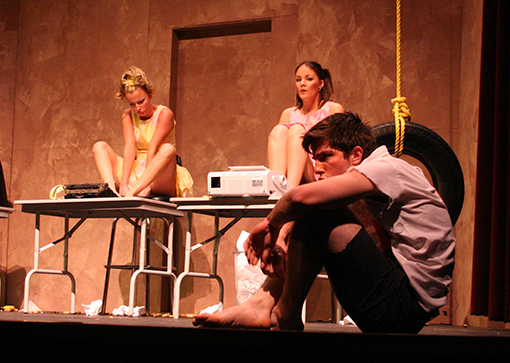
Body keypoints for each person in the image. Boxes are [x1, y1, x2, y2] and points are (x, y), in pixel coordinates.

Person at [194, 112, 454, 333]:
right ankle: (261, 305)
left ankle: (283, 312)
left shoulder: (386, 169)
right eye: (314, 159)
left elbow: (298, 199)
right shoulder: (373, 184)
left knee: (314, 207)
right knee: (315, 208)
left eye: (325, 157)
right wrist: (284, 237)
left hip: (401, 306)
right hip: (393, 303)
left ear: (356, 154)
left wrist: (269, 226)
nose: (317, 167)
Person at [93, 66, 193, 198]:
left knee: (168, 149)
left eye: (141, 102)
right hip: (135, 168)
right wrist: (123, 183)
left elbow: (153, 147)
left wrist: (145, 184)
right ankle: (111, 191)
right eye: (132, 104)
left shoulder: (164, 113)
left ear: (150, 95)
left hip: (159, 170)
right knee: (99, 146)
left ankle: (132, 194)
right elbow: (130, 148)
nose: (137, 108)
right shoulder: (127, 115)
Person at [267, 61, 344, 188]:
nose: (302, 84)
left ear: (321, 83)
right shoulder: (288, 113)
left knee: (297, 130)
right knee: (279, 130)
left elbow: (337, 148)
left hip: (319, 168)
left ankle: (289, 190)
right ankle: (276, 188)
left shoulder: (333, 109)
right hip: (294, 171)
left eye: (309, 79)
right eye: (298, 80)